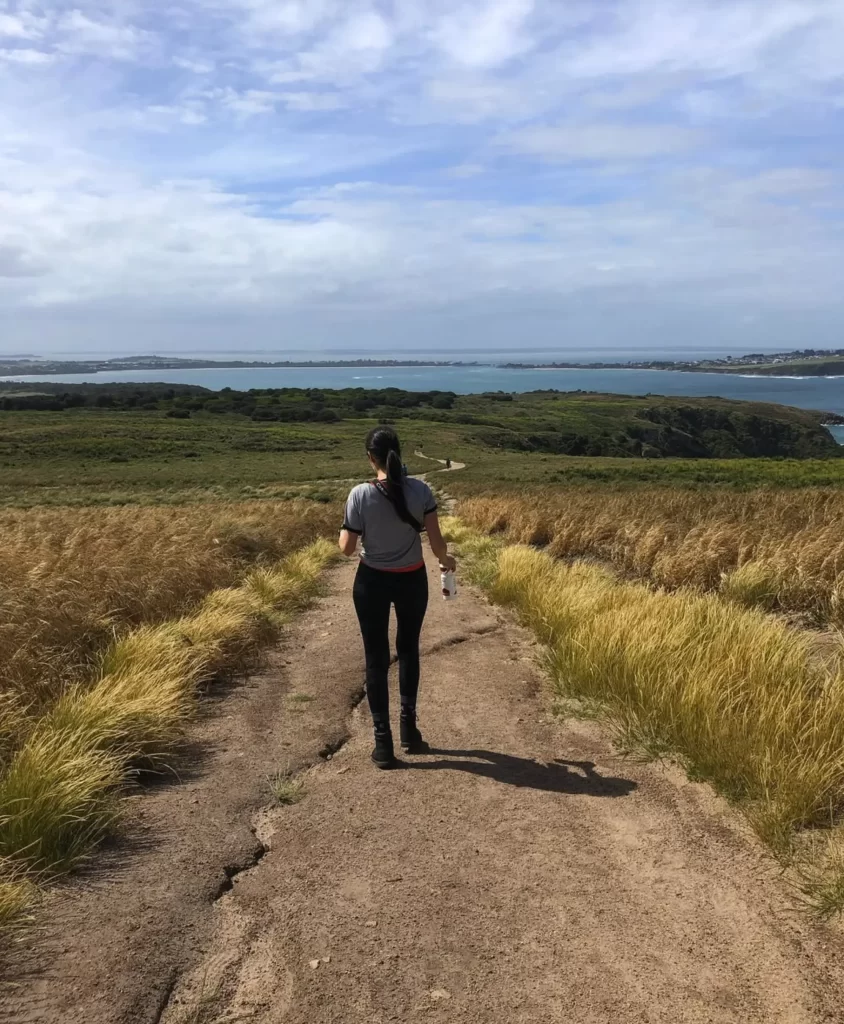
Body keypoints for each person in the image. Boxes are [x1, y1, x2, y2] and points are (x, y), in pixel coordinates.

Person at [339, 427, 456, 769]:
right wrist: (447, 562)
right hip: (411, 580)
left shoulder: (359, 494)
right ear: (399, 454)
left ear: (369, 458)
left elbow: (346, 550)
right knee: (408, 650)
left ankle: (383, 744)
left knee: (375, 659)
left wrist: (346, 530)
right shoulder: (421, 490)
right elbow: (437, 545)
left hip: (371, 582)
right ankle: (409, 730)